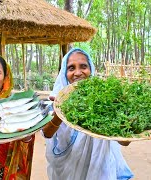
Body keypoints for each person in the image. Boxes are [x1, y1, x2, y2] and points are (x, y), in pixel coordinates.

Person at [42, 48, 134, 180]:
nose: (77, 73)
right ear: (64, 73)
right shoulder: (57, 100)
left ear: (91, 70)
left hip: (100, 169)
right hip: (68, 169)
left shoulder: (105, 100)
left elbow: (124, 142)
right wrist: (59, 112)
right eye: (71, 68)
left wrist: (124, 118)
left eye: (83, 66)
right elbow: (47, 133)